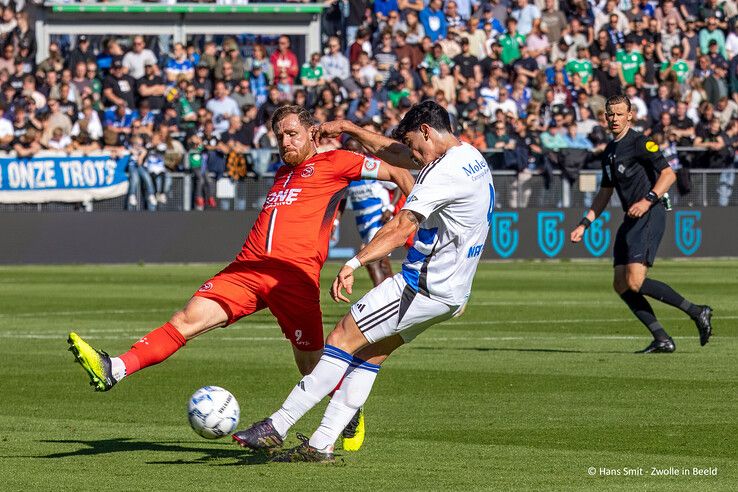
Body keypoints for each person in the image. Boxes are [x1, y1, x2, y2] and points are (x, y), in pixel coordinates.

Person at [67, 105, 414, 446]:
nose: (285, 142)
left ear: (312, 133)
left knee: (311, 367)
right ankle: (115, 368)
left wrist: (415, 213)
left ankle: (348, 410)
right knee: (186, 318)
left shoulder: (337, 162)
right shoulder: (282, 173)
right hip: (246, 270)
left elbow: (400, 169)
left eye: (292, 134)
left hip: (292, 278)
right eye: (279, 136)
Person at [232, 100, 494, 462]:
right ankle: (321, 443)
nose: (413, 157)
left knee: (340, 339)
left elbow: (403, 225)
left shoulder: (443, 174)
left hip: (421, 286)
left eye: (415, 147)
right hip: (452, 292)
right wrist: (350, 128)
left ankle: (277, 424)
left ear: (427, 132)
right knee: (370, 355)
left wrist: (355, 262)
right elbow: (395, 152)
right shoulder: (471, 157)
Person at [569, 95, 713, 353]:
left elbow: (669, 175)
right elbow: (604, 193)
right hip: (631, 217)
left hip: (650, 213)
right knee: (620, 284)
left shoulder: (640, 143)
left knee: (635, 281)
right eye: (609, 114)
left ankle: (697, 311)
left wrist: (647, 200)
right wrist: (584, 224)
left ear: (629, 115)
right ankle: (662, 339)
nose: (613, 118)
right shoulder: (610, 151)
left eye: (618, 114)